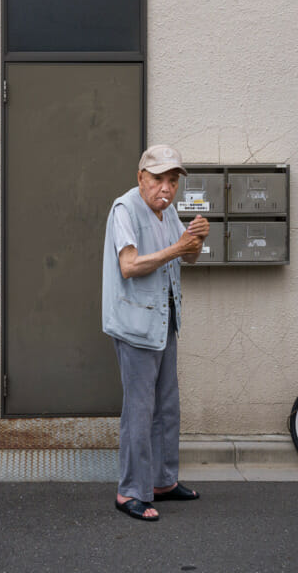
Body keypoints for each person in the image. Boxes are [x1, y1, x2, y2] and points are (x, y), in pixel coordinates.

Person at [102, 143, 210, 521]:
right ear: (141, 177)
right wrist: (178, 247)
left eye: (172, 181)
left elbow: (188, 256)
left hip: (164, 321)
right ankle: (130, 491)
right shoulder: (125, 208)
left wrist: (197, 239)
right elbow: (129, 265)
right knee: (140, 409)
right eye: (158, 179)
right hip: (135, 326)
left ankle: (163, 481)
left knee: (166, 406)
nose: (166, 188)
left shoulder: (168, 212)